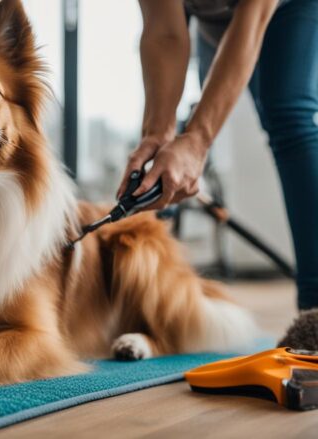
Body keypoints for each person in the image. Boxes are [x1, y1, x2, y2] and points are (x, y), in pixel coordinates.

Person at [119, 0, 318, 310]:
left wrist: (197, 140)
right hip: (213, 23)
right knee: (169, 153)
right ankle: (146, 297)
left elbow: (252, 21)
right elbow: (165, 33)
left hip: (286, 9)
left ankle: (315, 306)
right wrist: (157, 132)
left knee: (287, 114)